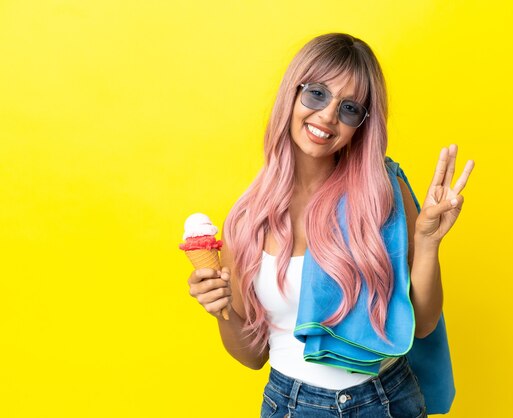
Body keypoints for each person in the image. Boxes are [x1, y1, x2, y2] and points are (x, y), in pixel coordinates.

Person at [187, 33, 474, 417]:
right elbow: (253, 356)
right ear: (293, 93)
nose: (327, 116)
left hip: (387, 400)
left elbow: (421, 325)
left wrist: (426, 243)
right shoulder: (247, 219)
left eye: (350, 107)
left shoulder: (382, 192)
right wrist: (219, 310)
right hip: (291, 406)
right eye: (317, 94)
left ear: (361, 125)